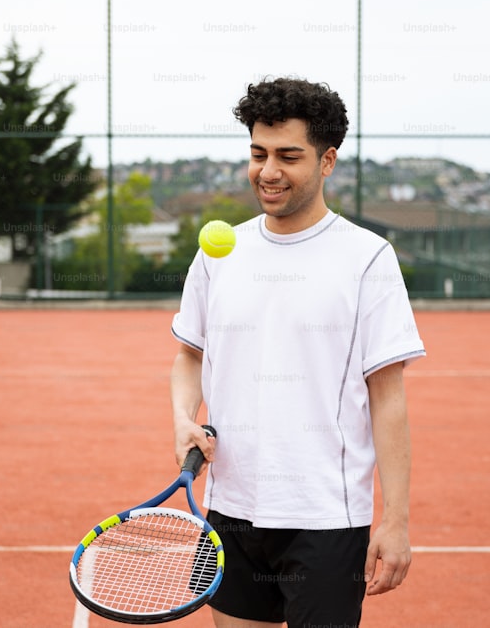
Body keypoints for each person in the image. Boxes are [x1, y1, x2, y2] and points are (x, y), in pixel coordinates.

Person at [170, 77, 425, 628]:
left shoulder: (368, 258)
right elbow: (189, 356)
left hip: (326, 517)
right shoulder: (219, 254)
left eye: (289, 156)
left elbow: (389, 398)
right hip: (230, 512)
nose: (268, 171)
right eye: (258, 154)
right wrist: (181, 420)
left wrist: (396, 520)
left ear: (327, 161)